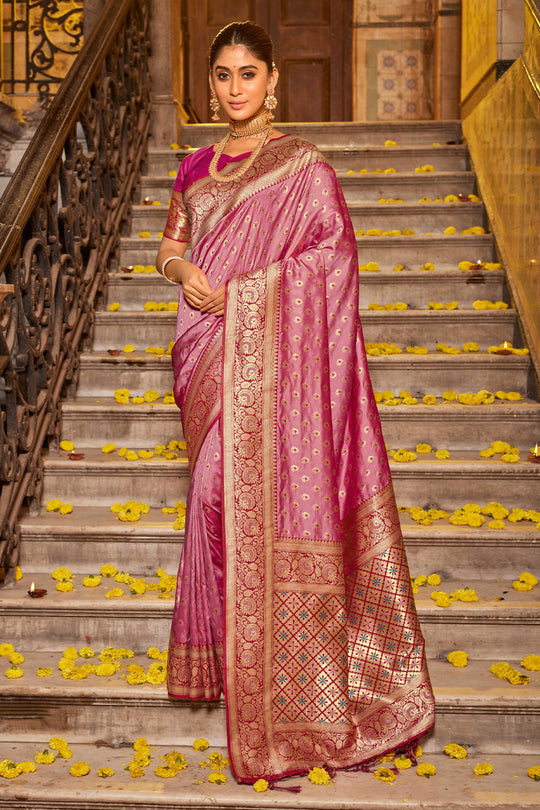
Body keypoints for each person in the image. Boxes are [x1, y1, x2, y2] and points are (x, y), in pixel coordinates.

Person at [156, 20, 435, 786]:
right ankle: (237, 663)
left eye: (249, 73)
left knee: (235, 497)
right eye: (222, 74)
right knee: (214, 499)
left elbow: (330, 257)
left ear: (273, 80)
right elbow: (168, 245)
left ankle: (286, 679)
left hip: (272, 361)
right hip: (205, 350)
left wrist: (247, 294)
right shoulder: (194, 167)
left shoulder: (306, 170)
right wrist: (184, 273)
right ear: (210, 84)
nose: (235, 87)